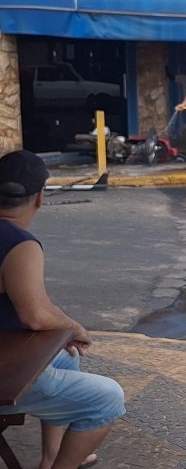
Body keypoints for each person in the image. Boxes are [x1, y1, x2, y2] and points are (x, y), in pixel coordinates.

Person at [0, 150, 125, 469]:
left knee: (65, 354)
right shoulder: (18, 243)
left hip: (7, 355)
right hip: (4, 378)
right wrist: (75, 328)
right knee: (107, 398)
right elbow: (36, 314)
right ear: (39, 198)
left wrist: (64, 331)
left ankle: (52, 457)